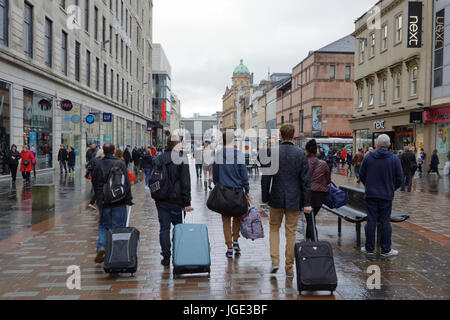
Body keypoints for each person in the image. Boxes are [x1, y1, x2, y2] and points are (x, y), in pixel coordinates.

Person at [261, 124, 311, 278]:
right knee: (291, 233)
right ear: (293, 136)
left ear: (281, 136)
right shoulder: (301, 154)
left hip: (276, 197)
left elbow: (266, 177)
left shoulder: (273, 152)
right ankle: (289, 267)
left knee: (274, 229)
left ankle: (275, 261)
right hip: (294, 199)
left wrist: (265, 197)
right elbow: (305, 181)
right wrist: (307, 203)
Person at [359, 134, 403, 257]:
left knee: (371, 220)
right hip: (386, 196)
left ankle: (369, 248)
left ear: (377, 144)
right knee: (385, 222)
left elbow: (361, 175)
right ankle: (386, 249)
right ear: (389, 145)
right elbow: (400, 178)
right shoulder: (394, 158)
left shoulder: (368, 157)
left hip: (371, 194)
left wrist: (368, 186)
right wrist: (391, 188)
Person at [152, 136, 192, 266]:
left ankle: (166, 256)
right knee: (178, 227)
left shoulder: (159, 157)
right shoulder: (181, 158)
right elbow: (186, 182)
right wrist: (187, 202)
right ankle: (177, 253)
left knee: (164, 228)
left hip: (161, 199)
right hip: (176, 199)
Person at [91, 143, 133, 264]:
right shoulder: (120, 163)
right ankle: (116, 252)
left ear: (103, 151)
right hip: (118, 200)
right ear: (114, 151)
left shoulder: (98, 164)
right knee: (118, 227)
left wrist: (97, 198)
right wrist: (128, 198)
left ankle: (101, 247)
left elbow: (94, 183)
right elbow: (126, 182)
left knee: (103, 226)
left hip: (103, 201)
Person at [213, 131, 250, 259]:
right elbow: (244, 174)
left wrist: (218, 184)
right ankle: (235, 240)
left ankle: (229, 247)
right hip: (237, 191)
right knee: (237, 216)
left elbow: (215, 175)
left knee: (225, 219)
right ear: (232, 141)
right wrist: (247, 188)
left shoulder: (218, 155)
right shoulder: (238, 155)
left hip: (224, 191)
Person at [304, 139, 330, 242]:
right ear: (316, 151)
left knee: (310, 219)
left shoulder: (304, 162)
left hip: (307, 194)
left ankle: (315, 242)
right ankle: (308, 239)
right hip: (320, 195)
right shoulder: (323, 164)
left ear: (307, 150)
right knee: (311, 218)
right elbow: (328, 180)